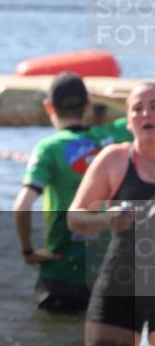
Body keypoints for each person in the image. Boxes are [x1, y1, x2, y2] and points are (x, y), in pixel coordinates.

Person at [13, 72, 133, 312]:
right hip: (107, 271)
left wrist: (28, 251)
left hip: (61, 270)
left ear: (49, 107)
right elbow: (145, 106)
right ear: (88, 104)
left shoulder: (49, 148)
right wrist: (102, 96)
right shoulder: (111, 138)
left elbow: (22, 207)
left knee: (54, 339)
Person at [68, 83, 155, 346]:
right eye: (137, 109)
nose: (146, 114)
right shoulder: (114, 160)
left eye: (154, 107)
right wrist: (107, 219)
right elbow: (75, 216)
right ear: (129, 121)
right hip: (120, 283)